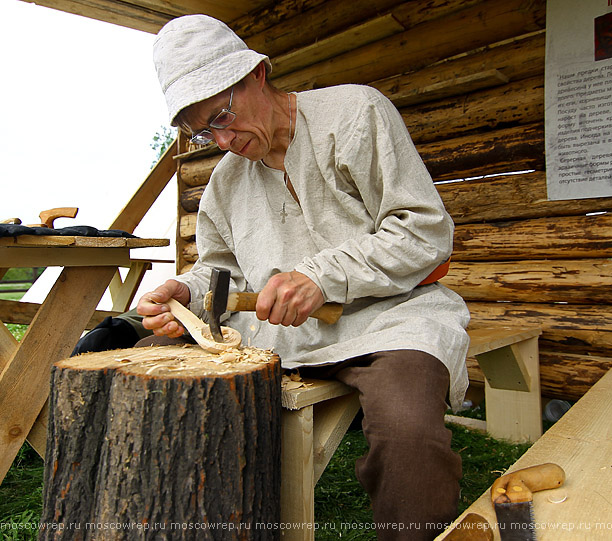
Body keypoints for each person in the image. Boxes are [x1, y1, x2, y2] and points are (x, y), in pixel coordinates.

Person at [137, 14, 471, 539]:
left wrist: (321, 275)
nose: (223, 140)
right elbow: (221, 270)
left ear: (258, 74)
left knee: (409, 433)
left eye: (223, 114)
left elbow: (423, 233)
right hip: (281, 338)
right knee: (194, 414)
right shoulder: (225, 182)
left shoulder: (355, 113)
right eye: (204, 131)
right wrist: (190, 290)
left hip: (392, 319)